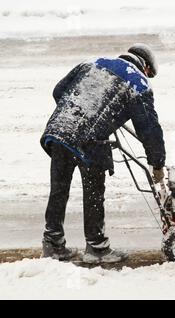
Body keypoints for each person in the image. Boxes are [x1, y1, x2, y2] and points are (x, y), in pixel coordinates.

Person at [40, 43, 166, 263]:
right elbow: (148, 128)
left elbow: (58, 91)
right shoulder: (137, 81)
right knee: (93, 193)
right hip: (89, 141)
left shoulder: (92, 62)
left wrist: (82, 115)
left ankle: (53, 243)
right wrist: (157, 162)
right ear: (145, 67)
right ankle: (96, 248)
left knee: (59, 189)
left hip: (59, 131)